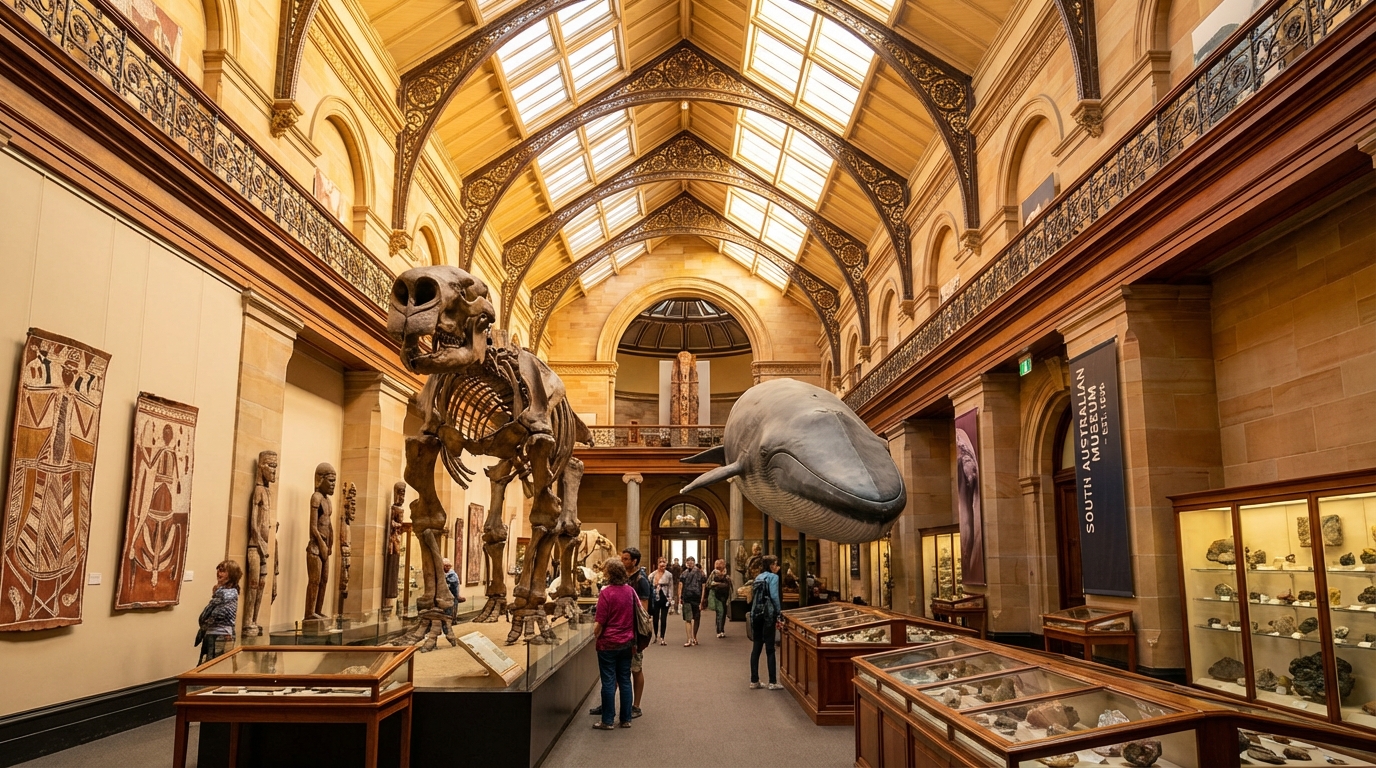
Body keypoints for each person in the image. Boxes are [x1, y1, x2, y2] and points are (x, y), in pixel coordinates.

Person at [593, 547, 651, 719]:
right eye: (622, 559)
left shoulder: (640, 581)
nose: (623, 561)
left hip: (626, 637)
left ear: (634, 561)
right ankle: (617, 712)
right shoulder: (627, 587)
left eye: (626, 559)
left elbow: (643, 611)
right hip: (626, 637)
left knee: (631, 671)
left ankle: (632, 707)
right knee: (622, 676)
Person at [592, 557, 636, 729]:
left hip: (608, 643)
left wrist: (595, 634)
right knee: (625, 679)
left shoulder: (606, 593)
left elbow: (600, 621)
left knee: (609, 681)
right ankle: (626, 719)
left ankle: (607, 720)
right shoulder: (630, 591)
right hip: (626, 642)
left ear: (609, 573)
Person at [748, 554, 783, 690]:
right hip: (768, 615)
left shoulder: (758, 577)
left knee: (756, 647)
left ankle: (754, 680)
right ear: (771, 565)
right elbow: (774, 596)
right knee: (770, 648)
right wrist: (779, 612)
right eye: (775, 564)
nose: (777, 567)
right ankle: (773, 681)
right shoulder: (773, 577)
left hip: (756, 614)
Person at [197, 560, 241, 664]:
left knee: (213, 666)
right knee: (208, 664)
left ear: (231, 575)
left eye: (223, 571)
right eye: (218, 570)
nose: (219, 573)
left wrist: (204, 624)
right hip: (213, 633)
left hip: (220, 634)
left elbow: (213, 614)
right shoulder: (223, 592)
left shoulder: (226, 593)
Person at [677, 556, 706, 646]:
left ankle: (694, 636)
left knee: (696, 618)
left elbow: (703, 587)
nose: (690, 563)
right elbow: (680, 586)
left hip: (697, 598)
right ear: (686, 563)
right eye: (688, 562)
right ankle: (689, 639)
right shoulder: (684, 574)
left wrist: (702, 601)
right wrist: (679, 599)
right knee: (688, 619)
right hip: (687, 598)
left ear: (694, 562)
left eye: (691, 561)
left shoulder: (700, 573)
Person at [706, 558, 732, 638]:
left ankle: (722, 629)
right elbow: (708, 584)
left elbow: (730, 584)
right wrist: (717, 584)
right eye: (719, 564)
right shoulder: (714, 573)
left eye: (722, 564)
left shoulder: (727, 573)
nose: (720, 565)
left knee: (724, 613)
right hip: (717, 595)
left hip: (725, 595)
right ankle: (719, 630)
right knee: (720, 612)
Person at [650, 557, 672, 645]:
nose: (662, 564)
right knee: (655, 619)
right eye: (660, 562)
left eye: (664, 562)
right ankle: (655, 636)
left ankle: (662, 637)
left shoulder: (669, 575)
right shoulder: (652, 575)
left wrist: (670, 598)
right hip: (655, 597)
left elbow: (671, 587)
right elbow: (649, 587)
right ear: (657, 564)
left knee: (663, 618)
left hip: (665, 597)